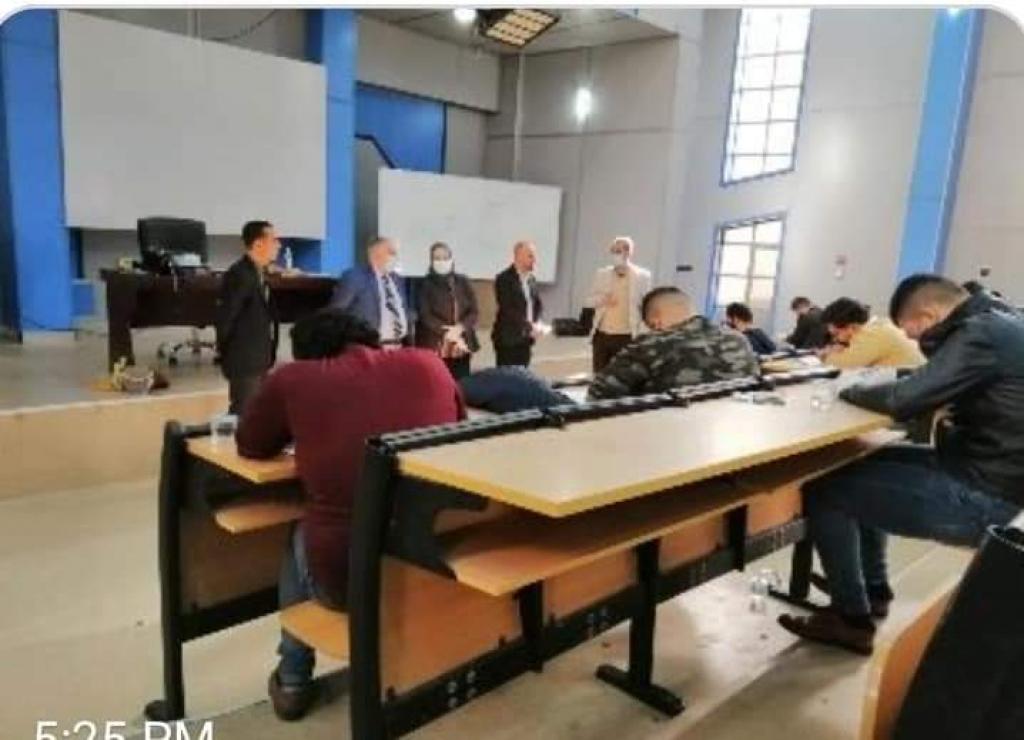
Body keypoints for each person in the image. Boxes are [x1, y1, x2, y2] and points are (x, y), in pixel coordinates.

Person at [235, 308, 464, 721]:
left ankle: (293, 679)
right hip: (436, 564)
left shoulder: (294, 378)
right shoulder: (429, 363)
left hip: (351, 579)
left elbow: (250, 443)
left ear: (310, 355)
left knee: (301, 528)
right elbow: (458, 425)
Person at [778, 275, 1024, 655]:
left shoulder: (980, 334)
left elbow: (903, 400)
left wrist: (848, 392)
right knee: (863, 461)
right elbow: (929, 378)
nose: (912, 341)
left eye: (912, 332)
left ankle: (850, 618)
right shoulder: (1002, 320)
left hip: (989, 496)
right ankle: (873, 589)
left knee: (825, 490)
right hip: (991, 470)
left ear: (929, 315)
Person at [588, 287, 759, 400]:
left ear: (656, 322)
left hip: (662, 439)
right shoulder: (739, 339)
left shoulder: (649, 345)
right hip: (732, 437)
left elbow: (598, 397)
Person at [216, 220, 281, 414]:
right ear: (258, 244)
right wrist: (228, 355)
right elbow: (226, 317)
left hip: (260, 358)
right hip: (244, 361)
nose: (278, 245)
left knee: (258, 415)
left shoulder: (258, 273)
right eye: (274, 240)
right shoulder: (239, 275)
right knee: (244, 413)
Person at [330, 236, 414, 347]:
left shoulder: (398, 279)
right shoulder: (355, 277)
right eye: (391, 252)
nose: (396, 257)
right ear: (375, 254)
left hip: (398, 346)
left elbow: (403, 309)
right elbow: (336, 311)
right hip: (368, 346)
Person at [586, 236, 653, 372]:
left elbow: (646, 306)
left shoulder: (642, 277)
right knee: (599, 374)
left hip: (626, 336)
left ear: (628, 253)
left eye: (618, 251)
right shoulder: (602, 274)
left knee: (622, 374)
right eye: (613, 251)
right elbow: (589, 301)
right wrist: (603, 300)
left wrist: (643, 334)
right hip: (602, 335)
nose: (615, 255)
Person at [415, 242, 480, 379]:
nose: (442, 261)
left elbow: (474, 311)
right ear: (431, 261)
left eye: (445, 257)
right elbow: (425, 314)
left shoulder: (463, 281)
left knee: (461, 383)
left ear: (451, 259)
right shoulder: (424, 284)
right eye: (437, 258)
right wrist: (448, 332)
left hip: (461, 343)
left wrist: (460, 328)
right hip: (435, 343)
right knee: (438, 382)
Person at [819, 297, 924, 369]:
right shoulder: (879, 325)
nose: (835, 339)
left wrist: (825, 355)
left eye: (836, 334)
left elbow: (839, 365)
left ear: (852, 327)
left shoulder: (871, 334)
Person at [492, 241, 543, 367]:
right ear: (519, 256)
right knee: (507, 376)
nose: (534, 260)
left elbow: (537, 304)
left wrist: (538, 322)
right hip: (508, 340)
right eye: (530, 256)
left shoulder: (531, 279)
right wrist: (529, 326)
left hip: (526, 339)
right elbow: (507, 309)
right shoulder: (504, 279)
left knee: (523, 375)